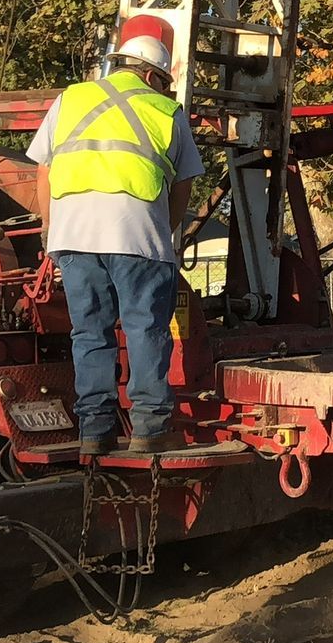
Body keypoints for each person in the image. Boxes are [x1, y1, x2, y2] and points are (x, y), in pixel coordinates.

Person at [28, 27, 204, 456]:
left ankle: (95, 431)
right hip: (135, 232)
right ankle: (149, 426)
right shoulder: (166, 110)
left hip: (73, 234)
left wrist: (51, 232)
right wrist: (166, 230)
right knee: (145, 327)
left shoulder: (70, 99)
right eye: (164, 81)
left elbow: (43, 171)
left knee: (89, 333)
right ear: (152, 76)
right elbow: (184, 183)